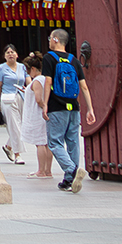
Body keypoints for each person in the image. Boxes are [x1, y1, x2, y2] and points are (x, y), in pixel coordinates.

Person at [43, 28, 87, 193]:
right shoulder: (74, 60)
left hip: (57, 106)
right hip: (74, 107)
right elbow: (84, 86)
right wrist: (89, 109)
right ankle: (69, 180)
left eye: (50, 37)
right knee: (73, 142)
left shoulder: (49, 58)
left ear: (55, 39)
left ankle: (72, 170)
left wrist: (45, 104)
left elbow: (48, 82)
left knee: (54, 142)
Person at [0, 45, 29, 164]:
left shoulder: (22, 67)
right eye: (7, 52)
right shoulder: (1, 68)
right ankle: (18, 154)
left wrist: (31, 90)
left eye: (12, 52)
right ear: (4, 56)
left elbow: (28, 81)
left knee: (21, 125)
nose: (10, 54)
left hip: (21, 96)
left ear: (17, 55)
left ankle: (8, 147)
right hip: (7, 98)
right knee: (14, 125)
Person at [22, 52, 53, 178]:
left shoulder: (37, 81)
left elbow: (38, 99)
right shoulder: (46, 78)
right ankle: (48, 170)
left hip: (38, 115)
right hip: (45, 115)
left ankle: (41, 170)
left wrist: (43, 107)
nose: (28, 73)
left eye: (28, 70)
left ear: (33, 69)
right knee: (47, 143)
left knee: (40, 143)